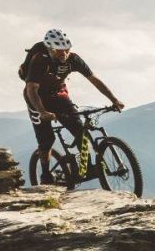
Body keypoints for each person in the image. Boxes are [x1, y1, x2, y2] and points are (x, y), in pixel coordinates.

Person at [23, 30, 124, 175]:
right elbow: (31, 88)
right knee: (47, 140)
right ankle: (45, 174)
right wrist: (42, 111)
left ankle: (85, 167)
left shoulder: (74, 59)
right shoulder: (40, 59)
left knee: (80, 132)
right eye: (59, 50)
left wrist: (114, 100)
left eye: (66, 49)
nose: (63, 53)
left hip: (58, 95)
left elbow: (94, 79)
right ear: (50, 49)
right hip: (36, 98)